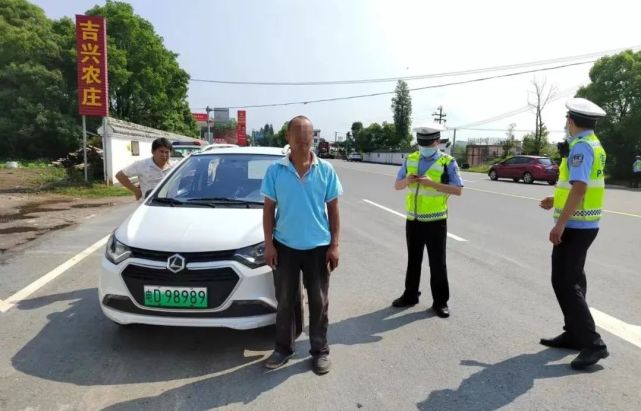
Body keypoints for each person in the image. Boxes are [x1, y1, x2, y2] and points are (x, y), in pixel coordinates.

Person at [261, 115, 342, 375]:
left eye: (307, 135)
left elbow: (334, 209)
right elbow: (268, 210)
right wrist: (269, 245)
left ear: (312, 138)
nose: (302, 139)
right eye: (297, 134)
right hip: (284, 247)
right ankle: (283, 349)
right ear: (288, 137)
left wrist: (335, 244)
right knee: (285, 300)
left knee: (319, 301)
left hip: (318, 247)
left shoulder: (326, 170)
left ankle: (320, 350)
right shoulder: (275, 170)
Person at [539, 97, 609, 370]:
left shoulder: (580, 147)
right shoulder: (595, 144)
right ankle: (574, 333)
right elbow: (578, 188)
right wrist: (553, 199)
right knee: (575, 279)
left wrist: (560, 225)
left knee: (564, 283)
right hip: (586, 224)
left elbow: (580, 188)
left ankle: (594, 344)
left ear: (571, 121)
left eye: (566, 120)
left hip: (576, 226)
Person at [391, 124, 463, 318]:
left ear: (438, 142)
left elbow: (458, 190)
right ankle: (410, 295)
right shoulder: (411, 159)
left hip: (435, 220)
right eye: (421, 143)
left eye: (428, 143)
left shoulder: (448, 162)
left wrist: (432, 184)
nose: (424, 147)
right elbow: (397, 185)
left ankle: (440, 302)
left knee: (437, 263)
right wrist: (408, 180)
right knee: (413, 260)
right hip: (413, 219)